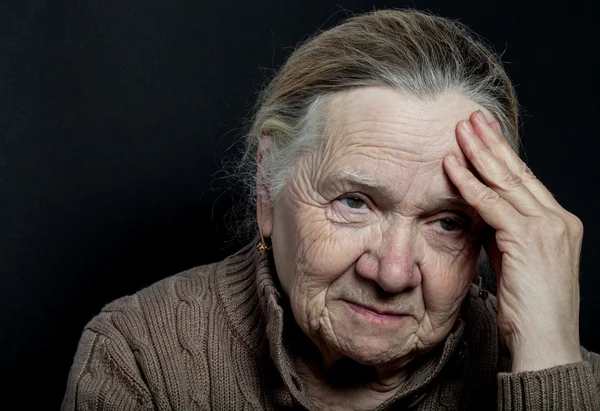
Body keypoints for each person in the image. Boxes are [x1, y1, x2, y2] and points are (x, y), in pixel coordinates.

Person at [61, 9, 599, 410]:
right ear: (267, 188)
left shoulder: (563, 374)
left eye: (447, 222)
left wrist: (551, 356)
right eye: (354, 201)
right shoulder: (140, 356)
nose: (391, 272)